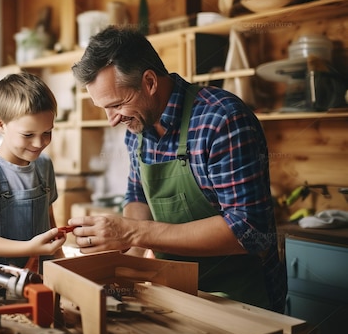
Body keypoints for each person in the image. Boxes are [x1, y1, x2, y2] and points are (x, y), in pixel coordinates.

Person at [68, 25, 287, 313]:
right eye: (104, 108)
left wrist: (133, 233)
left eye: (118, 104)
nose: (112, 120)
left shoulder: (221, 119)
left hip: (241, 299)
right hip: (175, 293)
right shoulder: (137, 127)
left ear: (149, 82)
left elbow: (249, 230)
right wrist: (124, 266)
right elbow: (138, 196)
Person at [0, 72, 66, 271]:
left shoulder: (44, 165)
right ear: (1, 125)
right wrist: (30, 247)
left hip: (39, 274)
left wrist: (60, 260)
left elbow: (49, 218)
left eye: (47, 132)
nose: (39, 143)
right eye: (28, 134)